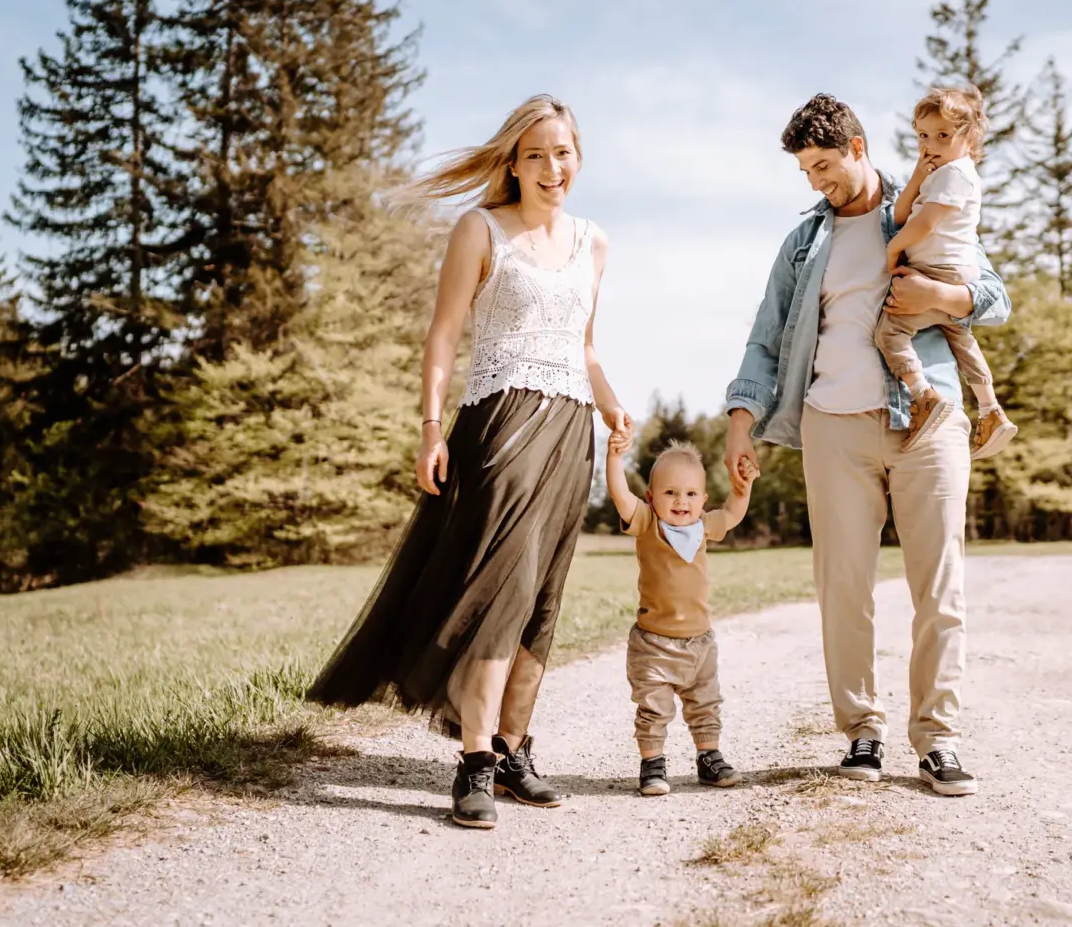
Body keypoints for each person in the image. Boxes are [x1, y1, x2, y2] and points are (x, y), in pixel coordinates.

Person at [306, 95, 631, 829]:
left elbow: (582, 345)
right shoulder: (480, 229)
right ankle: (475, 761)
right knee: (501, 587)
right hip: (502, 427)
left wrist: (609, 403)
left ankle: (515, 752)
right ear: (512, 163)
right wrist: (430, 429)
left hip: (571, 428)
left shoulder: (594, 243)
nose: (553, 168)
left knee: (543, 599)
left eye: (564, 153)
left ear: (579, 158)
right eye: (537, 154)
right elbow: (443, 337)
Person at [723, 94, 1010, 797]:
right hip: (834, 426)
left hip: (928, 420)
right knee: (843, 588)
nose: (816, 182)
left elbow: (994, 294)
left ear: (857, 147)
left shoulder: (921, 204)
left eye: (824, 165)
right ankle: (861, 732)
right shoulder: (802, 244)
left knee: (939, 585)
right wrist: (740, 418)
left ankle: (938, 740)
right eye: (806, 171)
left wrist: (944, 302)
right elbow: (765, 338)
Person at [603, 438, 758, 795]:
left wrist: (743, 487)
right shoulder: (645, 522)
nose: (680, 501)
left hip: (700, 642)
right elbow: (620, 495)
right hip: (653, 643)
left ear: (703, 499)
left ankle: (709, 757)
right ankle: (653, 765)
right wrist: (615, 458)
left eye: (690, 494)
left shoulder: (703, 526)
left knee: (705, 704)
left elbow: (733, 514)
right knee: (653, 709)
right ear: (651, 497)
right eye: (670, 492)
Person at [877, 85, 1017, 457]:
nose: (931, 144)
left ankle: (924, 397)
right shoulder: (940, 174)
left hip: (939, 270)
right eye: (924, 135)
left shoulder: (957, 173)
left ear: (968, 137)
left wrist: (894, 246)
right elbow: (901, 214)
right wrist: (916, 177)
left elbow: (921, 224)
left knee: (890, 332)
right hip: (949, 273)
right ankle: (990, 410)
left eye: (943, 135)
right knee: (961, 336)